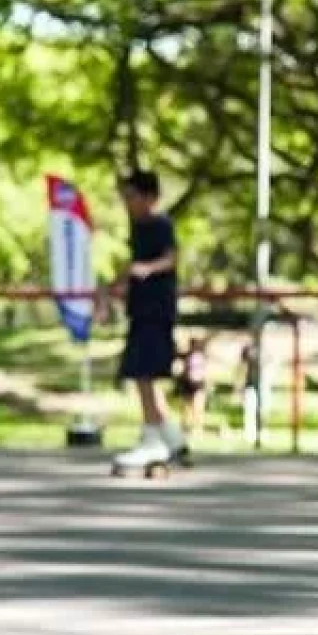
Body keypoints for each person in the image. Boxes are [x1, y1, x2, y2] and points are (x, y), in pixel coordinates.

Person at [109, 170, 188, 473]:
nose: (128, 203)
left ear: (149, 197)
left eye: (132, 197)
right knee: (143, 376)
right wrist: (119, 284)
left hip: (156, 311)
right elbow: (132, 266)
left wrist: (147, 269)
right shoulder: (139, 228)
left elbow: (171, 258)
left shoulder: (160, 224)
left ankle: (152, 440)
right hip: (140, 310)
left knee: (145, 375)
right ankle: (174, 440)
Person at [176, 335, 210, 438]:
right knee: (186, 407)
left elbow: (205, 370)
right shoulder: (187, 355)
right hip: (188, 383)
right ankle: (185, 427)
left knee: (198, 406)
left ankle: (198, 428)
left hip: (199, 384)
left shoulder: (202, 356)